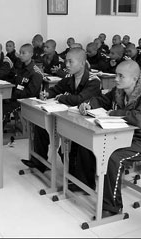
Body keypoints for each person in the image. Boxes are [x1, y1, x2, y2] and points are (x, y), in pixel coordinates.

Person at [79, 60, 141, 217]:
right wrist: (89, 104)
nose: (116, 79)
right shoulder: (119, 91)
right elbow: (102, 100)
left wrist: (114, 113)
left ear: (134, 79)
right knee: (90, 142)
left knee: (114, 158)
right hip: (125, 135)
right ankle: (86, 184)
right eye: (115, 75)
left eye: (120, 76)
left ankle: (113, 207)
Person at [21, 49, 101, 188]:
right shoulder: (69, 78)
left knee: (70, 148)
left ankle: (80, 180)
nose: (66, 64)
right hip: (68, 117)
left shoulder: (93, 81)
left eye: (71, 61)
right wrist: (47, 94)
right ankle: (39, 162)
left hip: (85, 123)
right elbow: (56, 90)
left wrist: (61, 97)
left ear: (82, 63)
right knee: (41, 126)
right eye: (66, 61)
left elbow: (79, 99)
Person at [2, 44, 43, 123]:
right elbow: (14, 81)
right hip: (16, 97)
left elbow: (31, 93)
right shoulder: (20, 67)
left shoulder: (35, 72)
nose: (20, 55)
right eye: (20, 53)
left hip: (26, 101)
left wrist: (13, 94)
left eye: (23, 53)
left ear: (31, 54)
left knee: (2, 109)